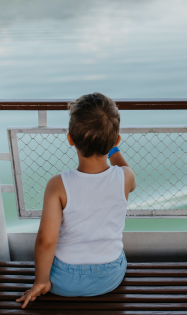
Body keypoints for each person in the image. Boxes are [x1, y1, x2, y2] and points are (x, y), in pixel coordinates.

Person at [17, 93, 136, 308]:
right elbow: (124, 168)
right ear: (116, 141)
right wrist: (112, 147)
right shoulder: (126, 178)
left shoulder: (58, 185)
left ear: (70, 138)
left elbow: (46, 240)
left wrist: (41, 281)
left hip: (65, 280)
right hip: (110, 277)